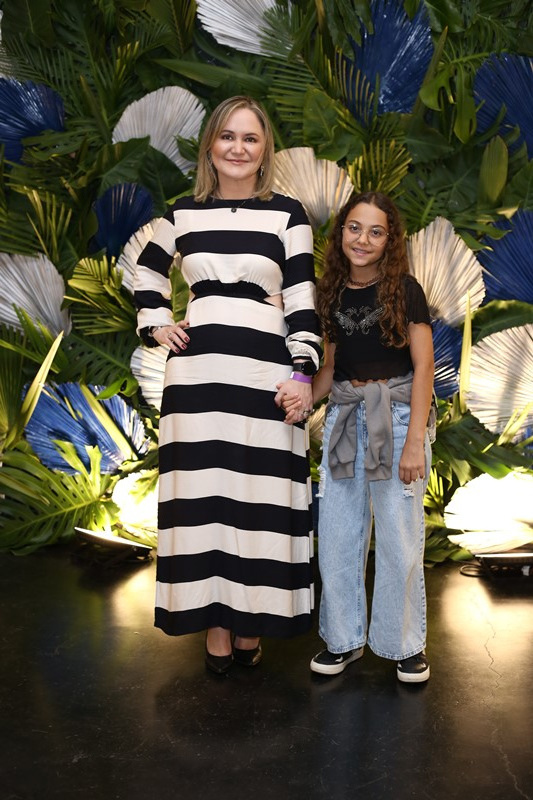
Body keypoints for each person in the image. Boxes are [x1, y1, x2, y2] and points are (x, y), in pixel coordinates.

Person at [133, 95, 322, 674]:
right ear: (210, 146)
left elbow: (302, 297)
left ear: (265, 151)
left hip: (265, 375)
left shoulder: (288, 215)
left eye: (250, 138)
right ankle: (216, 625)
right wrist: (155, 322)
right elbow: (146, 270)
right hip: (197, 378)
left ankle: (252, 621)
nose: (238, 148)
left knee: (259, 500)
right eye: (228, 136)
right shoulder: (182, 213)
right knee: (206, 499)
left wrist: (302, 372)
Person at [283, 192, 434, 682]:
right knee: (338, 537)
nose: (363, 239)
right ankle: (343, 640)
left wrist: (415, 442)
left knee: (398, 538)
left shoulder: (405, 290)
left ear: (390, 240)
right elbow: (330, 368)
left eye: (375, 231)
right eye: (354, 227)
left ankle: (403, 644)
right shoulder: (329, 293)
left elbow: (424, 367)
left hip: (397, 416)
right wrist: (304, 400)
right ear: (341, 232)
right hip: (346, 418)